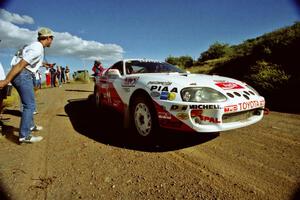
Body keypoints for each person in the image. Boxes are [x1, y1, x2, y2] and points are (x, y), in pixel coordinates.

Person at [0, 27, 55, 143]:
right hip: (22, 75)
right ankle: (24, 135)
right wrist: (6, 81)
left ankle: (30, 126)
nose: (52, 41)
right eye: (52, 38)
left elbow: (29, 62)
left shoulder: (35, 46)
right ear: (48, 38)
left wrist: (45, 64)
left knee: (29, 103)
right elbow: (20, 65)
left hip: (23, 75)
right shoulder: (37, 49)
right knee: (29, 105)